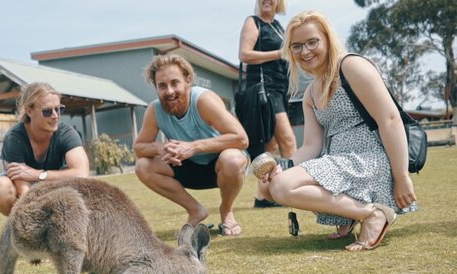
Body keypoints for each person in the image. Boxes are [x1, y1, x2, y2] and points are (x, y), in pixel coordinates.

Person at [259, 10, 417, 251]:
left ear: (327, 39)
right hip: (339, 162)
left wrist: (402, 176)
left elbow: (390, 120)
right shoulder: (310, 93)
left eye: (312, 42)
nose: (305, 51)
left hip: (369, 160)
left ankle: (372, 213)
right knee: (270, 186)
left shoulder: (350, 66)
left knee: (281, 187)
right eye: (297, 46)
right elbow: (311, 146)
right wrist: (284, 166)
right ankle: (351, 214)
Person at [133, 54, 249, 236]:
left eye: (174, 83)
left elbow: (241, 138)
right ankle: (196, 210)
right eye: (162, 86)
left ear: (188, 80)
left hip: (221, 167)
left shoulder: (203, 101)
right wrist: (159, 148)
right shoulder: (154, 110)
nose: (169, 91)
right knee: (143, 166)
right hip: (186, 168)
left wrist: (193, 147)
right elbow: (139, 148)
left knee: (233, 159)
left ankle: (226, 212)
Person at [0, 82, 90, 216]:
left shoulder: (66, 133)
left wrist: (38, 174)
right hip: (26, 187)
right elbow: (23, 191)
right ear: (29, 111)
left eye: (58, 109)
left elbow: (82, 173)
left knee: (86, 188)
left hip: (55, 182)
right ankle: (19, 225)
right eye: (47, 111)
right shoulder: (15, 138)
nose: (55, 116)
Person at [238, 0, 297, 208]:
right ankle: (292, 189)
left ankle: (263, 196)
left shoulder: (279, 27)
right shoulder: (253, 22)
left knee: (270, 145)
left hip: (280, 89)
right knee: (288, 141)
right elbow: (244, 54)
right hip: (265, 89)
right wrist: (279, 53)